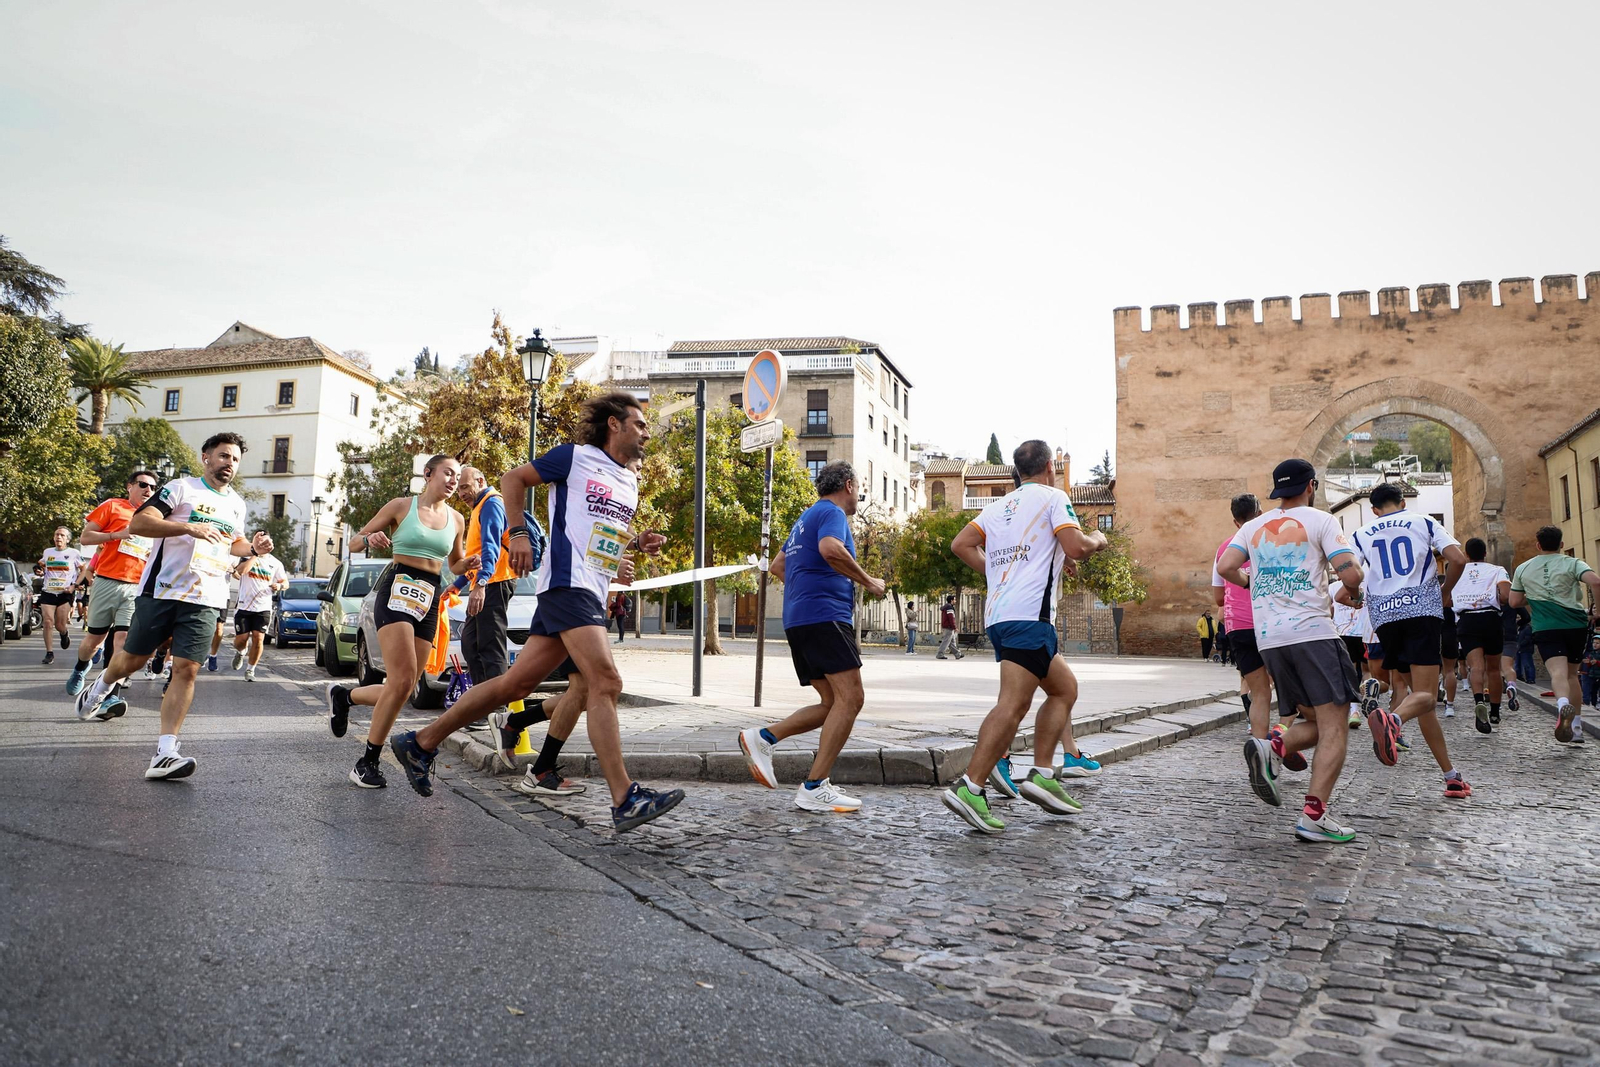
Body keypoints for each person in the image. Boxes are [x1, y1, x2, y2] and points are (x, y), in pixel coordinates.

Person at [389, 392, 684, 832]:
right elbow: (512, 479)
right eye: (639, 424)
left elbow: (598, 537)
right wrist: (520, 532)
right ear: (614, 425)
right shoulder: (574, 458)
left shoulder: (630, 481)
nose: (646, 432)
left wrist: (633, 546)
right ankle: (624, 798)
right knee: (606, 681)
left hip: (586, 586)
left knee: (516, 683)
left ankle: (421, 741)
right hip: (568, 584)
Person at [74, 433, 273, 779]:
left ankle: (165, 753)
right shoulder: (182, 489)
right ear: (206, 457)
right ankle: (103, 684)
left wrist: (253, 548)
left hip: (206, 596)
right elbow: (139, 523)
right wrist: (188, 528)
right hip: (162, 591)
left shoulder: (237, 504)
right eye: (223, 456)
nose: (229, 464)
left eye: (235, 459)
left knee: (186, 669)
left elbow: (233, 543)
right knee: (133, 660)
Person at [940, 440, 1109, 834]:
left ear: (1017, 471)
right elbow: (1077, 546)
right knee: (1013, 704)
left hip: (1003, 614)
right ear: (1050, 466)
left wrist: (1000, 574)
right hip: (1028, 617)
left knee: (1064, 688)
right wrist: (1098, 540)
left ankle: (1043, 773)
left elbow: (961, 544)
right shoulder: (1054, 498)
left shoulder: (998, 506)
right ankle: (971, 786)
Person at [1216, 458, 1365, 842]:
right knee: (1336, 728)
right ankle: (1314, 816)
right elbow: (1349, 574)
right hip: (1313, 634)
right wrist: (1355, 582)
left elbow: (1227, 564)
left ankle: (1273, 747)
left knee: (1315, 722)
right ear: (1311, 486)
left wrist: (1252, 582)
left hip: (1270, 639)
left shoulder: (1251, 527)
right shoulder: (1322, 521)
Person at [738, 461, 887, 813]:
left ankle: (764, 737)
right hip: (825, 618)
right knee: (851, 699)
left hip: (800, 619)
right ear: (848, 485)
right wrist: (868, 581)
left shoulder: (805, 518)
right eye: (859, 487)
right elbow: (832, 550)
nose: (859, 495)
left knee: (831, 703)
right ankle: (815, 786)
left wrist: (806, 590)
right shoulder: (833, 513)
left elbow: (777, 566)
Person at [325, 454, 475, 788]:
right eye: (447, 474)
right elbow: (353, 541)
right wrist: (370, 539)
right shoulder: (401, 506)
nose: (453, 481)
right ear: (428, 474)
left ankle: (345, 697)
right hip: (396, 589)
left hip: (430, 596)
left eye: (457, 476)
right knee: (402, 677)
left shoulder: (456, 519)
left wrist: (469, 565)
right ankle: (367, 762)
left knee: (405, 686)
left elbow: (455, 562)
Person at [1347, 481, 1470, 799]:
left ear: (1374, 509)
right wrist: (1444, 593)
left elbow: (1351, 573)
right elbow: (1457, 559)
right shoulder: (1424, 521)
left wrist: (1354, 595)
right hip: (1421, 613)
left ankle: (1451, 776)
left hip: (1385, 619)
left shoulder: (1362, 533)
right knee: (1428, 696)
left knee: (1421, 699)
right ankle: (1393, 718)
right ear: (1403, 502)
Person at [67, 472, 158, 695]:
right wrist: (117, 535)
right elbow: (86, 538)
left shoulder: (157, 518)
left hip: (136, 587)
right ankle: (81, 667)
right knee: (94, 641)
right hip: (107, 581)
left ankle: (109, 693)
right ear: (129, 486)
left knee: (123, 639)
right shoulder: (113, 506)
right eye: (143, 484)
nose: (149, 490)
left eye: (153, 487)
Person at [1510, 525, 1600, 743]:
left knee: (1557, 673)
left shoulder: (1524, 568)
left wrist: (1533, 597)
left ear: (1538, 545)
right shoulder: (1573, 563)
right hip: (1575, 624)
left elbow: (1514, 601)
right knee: (1572, 675)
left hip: (1546, 626)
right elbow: (1596, 581)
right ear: (1561, 544)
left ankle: (1561, 705)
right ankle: (1577, 729)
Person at [455, 464, 519, 718]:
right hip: (483, 583)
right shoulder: (479, 507)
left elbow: (490, 548)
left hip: (494, 583)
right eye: (459, 489)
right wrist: (458, 584)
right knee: (471, 644)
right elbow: (476, 555)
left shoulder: (492, 503)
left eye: (465, 487)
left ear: (480, 481)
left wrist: (480, 584)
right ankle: (483, 702)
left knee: (490, 646)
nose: (461, 494)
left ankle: (497, 709)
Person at [1213, 493, 1275, 741]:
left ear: (1234, 521)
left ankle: (1259, 747)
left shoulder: (1223, 549)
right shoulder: (1273, 542)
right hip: (1271, 623)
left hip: (1238, 626)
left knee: (1259, 692)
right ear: (1260, 514)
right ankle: (1285, 735)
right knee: (1286, 685)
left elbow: (1219, 598)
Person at [1451, 538, 1511, 734]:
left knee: (1476, 666)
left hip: (1467, 620)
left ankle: (1479, 702)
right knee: (1493, 668)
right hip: (1490, 618)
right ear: (1485, 553)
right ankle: (1494, 712)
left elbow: (1447, 597)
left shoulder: (1458, 571)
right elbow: (1504, 596)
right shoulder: (1497, 570)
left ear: (1466, 555)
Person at [229, 543, 287, 681]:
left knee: (258, 638)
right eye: (259, 542)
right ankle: (241, 652)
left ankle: (250, 670)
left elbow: (285, 582)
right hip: (244, 606)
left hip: (263, 607)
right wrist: (255, 555)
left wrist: (279, 585)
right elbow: (241, 571)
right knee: (241, 640)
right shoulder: (246, 557)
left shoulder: (275, 563)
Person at [37, 527, 87, 665]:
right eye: (56, 534)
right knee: (47, 622)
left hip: (65, 593)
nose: (59, 537)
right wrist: (40, 571)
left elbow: (84, 570)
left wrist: (74, 586)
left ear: (67, 539)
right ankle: (49, 652)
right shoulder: (48, 552)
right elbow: (41, 565)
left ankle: (64, 634)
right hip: (48, 591)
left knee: (60, 625)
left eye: (62, 535)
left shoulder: (73, 553)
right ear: (53, 538)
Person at [1499, 603, 1527, 710]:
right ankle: (1511, 685)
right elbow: (1526, 617)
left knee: (1495, 670)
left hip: (1495, 635)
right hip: (1510, 635)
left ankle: (1497, 700)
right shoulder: (1512, 601)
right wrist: (1517, 624)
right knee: (1508, 666)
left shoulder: (1492, 597)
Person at [1579, 632, 1600, 725]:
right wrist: (1587, 662)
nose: (1595, 645)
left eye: (1597, 643)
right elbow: (1590, 664)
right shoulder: (1591, 653)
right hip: (1592, 674)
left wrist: (1597, 662)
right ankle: (1589, 704)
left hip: (1598, 675)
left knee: (1596, 691)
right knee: (1590, 690)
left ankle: (1595, 704)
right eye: (1594, 643)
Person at [936, 595, 963, 659]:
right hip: (948, 627)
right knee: (946, 641)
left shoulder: (947, 607)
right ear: (951, 600)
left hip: (947, 626)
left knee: (952, 642)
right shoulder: (949, 608)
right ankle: (940, 654)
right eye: (954, 600)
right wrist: (954, 627)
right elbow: (951, 618)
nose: (955, 601)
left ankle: (957, 654)